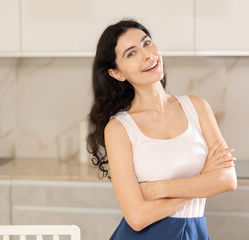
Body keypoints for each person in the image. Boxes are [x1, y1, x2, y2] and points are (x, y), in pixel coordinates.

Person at [86, 19, 237, 240]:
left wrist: (160, 189)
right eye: (131, 53)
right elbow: (137, 218)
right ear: (117, 73)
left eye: (147, 43)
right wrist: (203, 179)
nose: (147, 55)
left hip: (193, 232)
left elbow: (227, 179)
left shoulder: (196, 107)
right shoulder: (119, 128)